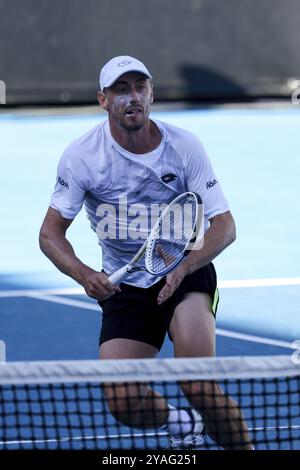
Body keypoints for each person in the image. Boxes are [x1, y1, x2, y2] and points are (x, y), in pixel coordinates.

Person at [39, 55, 253, 450]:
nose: (133, 97)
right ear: (104, 100)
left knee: (199, 385)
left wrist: (185, 265)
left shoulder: (184, 146)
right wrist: (85, 274)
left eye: (140, 87)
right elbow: (50, 235)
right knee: (121, 401)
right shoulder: (83, 157)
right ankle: (181, 422)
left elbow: (225, 226)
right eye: (122, 90)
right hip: (126, 286)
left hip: (185, 274)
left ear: (151, 92)